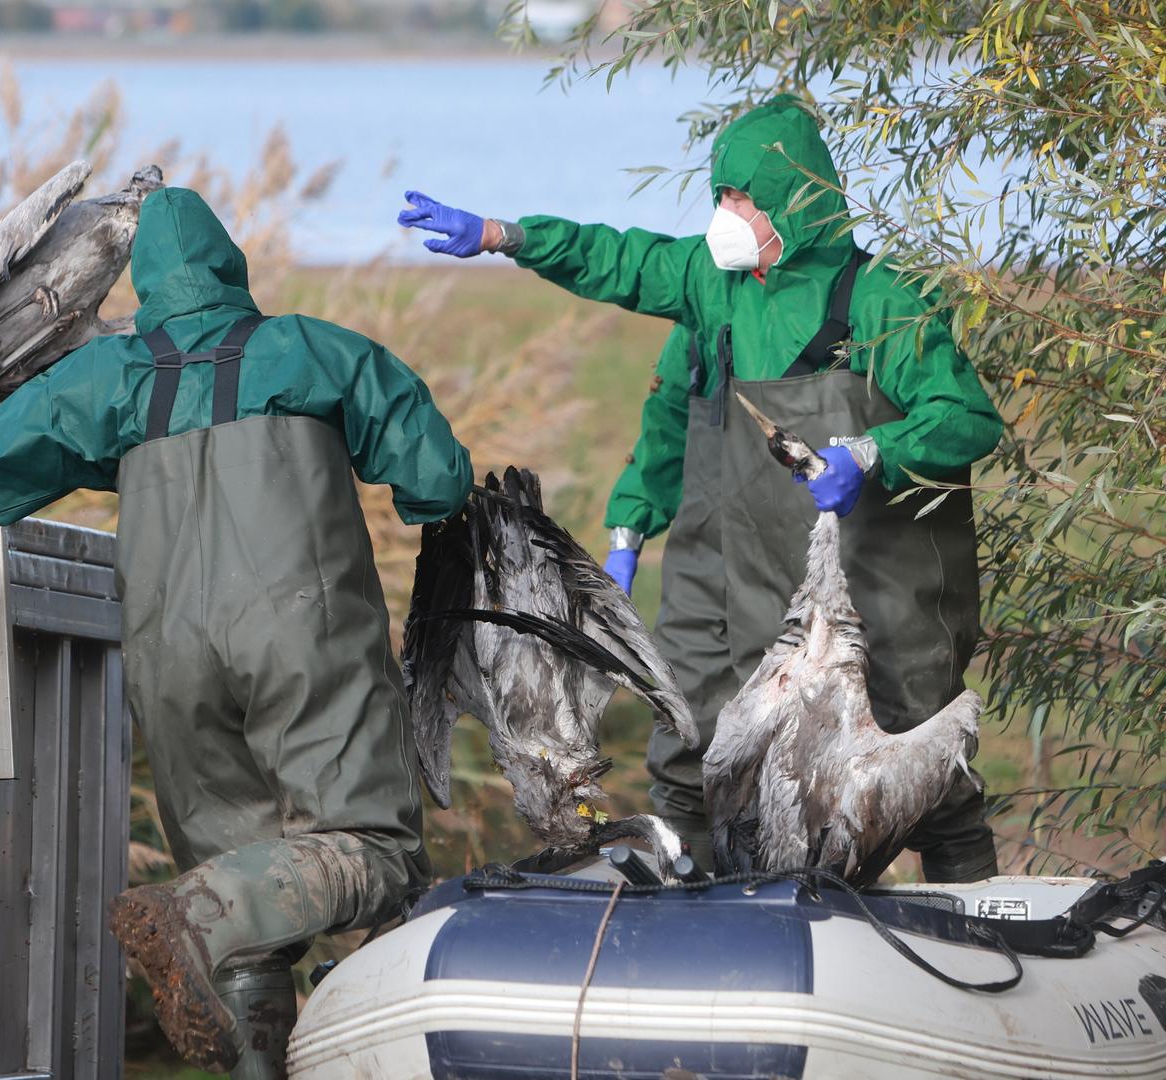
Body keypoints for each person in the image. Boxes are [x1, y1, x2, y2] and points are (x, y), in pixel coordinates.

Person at [0, 186, 472, 1076]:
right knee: (370, 846)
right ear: (231, 266)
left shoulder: (108, 377)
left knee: (250, 918)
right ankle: (197, 908)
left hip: (170, 659)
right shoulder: (312, 351)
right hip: (303, 641)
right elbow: (438, 478)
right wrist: (411, 493)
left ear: (141, 282)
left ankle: (231, 976)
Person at [398, 95, 1004, 883]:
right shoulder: (711, 295)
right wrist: (499, 236)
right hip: (729, 572)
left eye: (742, 198)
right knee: (697, 751)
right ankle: (707, 916)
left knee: (916, 758)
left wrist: (872, 451)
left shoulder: (882, 301)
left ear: (796, 200)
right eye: (719, 196)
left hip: (873, 585)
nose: (726, 213)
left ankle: (981, 913)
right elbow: (623, 271)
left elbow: (967, 418)